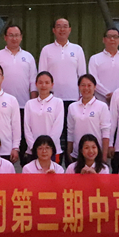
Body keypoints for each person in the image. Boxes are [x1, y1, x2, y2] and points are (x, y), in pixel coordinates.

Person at [0, 24, 37, 157]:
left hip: (23, 105)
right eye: (11, 35)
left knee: (23, 139)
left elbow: (33, 82)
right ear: (5, 37)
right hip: (1, 106)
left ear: (21, 37)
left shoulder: (28, 57)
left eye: (16, 35)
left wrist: (33, 104)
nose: (14, 38)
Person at [38, 18, 86, 153]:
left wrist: (81, 97)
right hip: (52, 100)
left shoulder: (77, 49)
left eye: (65, 26)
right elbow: (42, 75)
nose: (62, 29)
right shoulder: (46, 50)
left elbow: (82, 75)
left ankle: (70, 160)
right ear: (54, 30)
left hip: (73, 99)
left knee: (70, 133)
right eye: (58, 26)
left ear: (70, 29)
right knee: (54, 132)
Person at [67, 74, 111, 164]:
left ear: (95, 87)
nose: (86, 88)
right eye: (83, 85)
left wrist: (104, 156)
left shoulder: (102, 106)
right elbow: (70, 131)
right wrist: (69, 152)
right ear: (79, 87)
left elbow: (106, 132)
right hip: (77, 154)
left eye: (89, 85)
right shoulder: (72, 107)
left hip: (95, 154)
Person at [24, 71, 64, 163]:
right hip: (33, 150)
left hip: (53, 150)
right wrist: (34, 147)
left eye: (47, 82)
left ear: (52, 85)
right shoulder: (29, 104)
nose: (43, 85)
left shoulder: (58, 102)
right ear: (36, 84)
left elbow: (57, 127)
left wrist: (47, 147)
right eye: (40, 82)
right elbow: (27, 128)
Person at [88, 28, 119, 103]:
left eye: (115, 37)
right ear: (104, 40)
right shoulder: (94, 58)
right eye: (109, 36)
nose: (112, 39)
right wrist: (107, 94)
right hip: (100, 101)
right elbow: (93, 80)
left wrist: (116, 94)